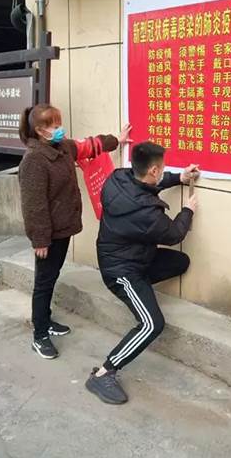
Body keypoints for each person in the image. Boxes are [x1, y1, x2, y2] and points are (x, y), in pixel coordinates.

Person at [86, 141, 199, 404]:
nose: (163, 172)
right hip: (120, 271)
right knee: (152, 324)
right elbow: (174, 234)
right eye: (162, 169)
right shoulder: (147, 214)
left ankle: (140, 291)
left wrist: (178, 178)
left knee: (180, 262)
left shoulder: (118, 178)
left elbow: (144, 188)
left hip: (135, 258)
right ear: (153, 170)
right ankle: (104, 373)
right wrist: (188, 210)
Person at [18, 103, 131, 360]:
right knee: (44, 282)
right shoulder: (34, 160)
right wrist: (40, 239)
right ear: (40, 130)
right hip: (48, 235)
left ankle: (45, 320)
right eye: (54, 126)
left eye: (59, 124)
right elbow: (34, 205)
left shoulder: (63, 147)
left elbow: (89, 146)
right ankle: (39, 335)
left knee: (51, 276)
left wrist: (117, 139)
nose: (60, 129)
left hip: (63, 227)